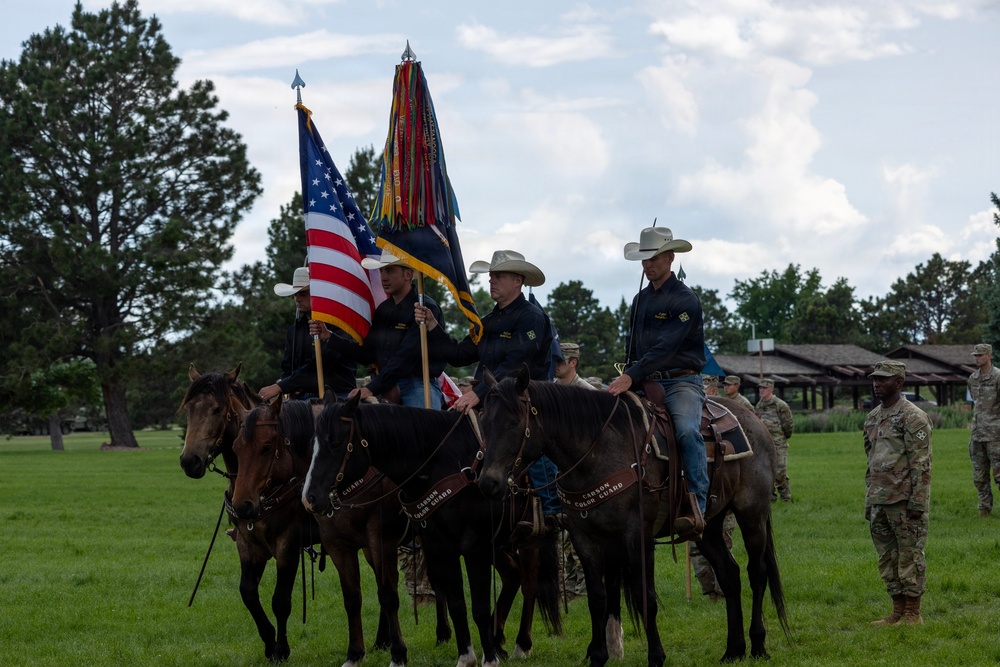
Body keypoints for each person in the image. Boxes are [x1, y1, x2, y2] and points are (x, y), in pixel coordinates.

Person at [416, 249, 559, 536]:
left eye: (499, 276)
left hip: (526, 399)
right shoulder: (488, 321)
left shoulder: (531, 318)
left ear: (517, 280)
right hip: (494, 401)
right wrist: (433, 326)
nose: (491, 281)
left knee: (535, 445)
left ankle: (551, 510)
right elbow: (459, 354)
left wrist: (478, 393)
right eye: (491, 276)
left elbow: (516, 365)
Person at [607, 226, 708, 538]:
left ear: (670, 257)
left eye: (653, 258)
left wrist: (631, 375)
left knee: (687, 431)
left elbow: (666, 348)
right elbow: (633, 347)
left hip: (681, 382)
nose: (647, 264)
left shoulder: (686, 300)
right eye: (644, 259)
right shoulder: (639, 300)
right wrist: (629, 372)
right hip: (643, 380)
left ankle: (697, 504)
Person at [318, 251, 446, 409]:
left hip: (417, 384)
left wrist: (371, 388)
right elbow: (368, 353)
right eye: (381, 271)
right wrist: (329, 337)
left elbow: (407, 357)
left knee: (423, 423)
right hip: (385, 385)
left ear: (408, 275)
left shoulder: (426, 309)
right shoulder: (383, 310)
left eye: (390, 271)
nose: (383, 277)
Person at [864, 360, 932, 626]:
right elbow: (870, 462)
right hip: (879, 500)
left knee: (909, 556)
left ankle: (913, 613)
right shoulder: (873, 417)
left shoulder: (912, 416)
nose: (877, 383)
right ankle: (897, 611)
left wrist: (918, 501)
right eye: (875, 379)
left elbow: (922, 464)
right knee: (887, 557)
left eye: (883, 379)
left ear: (899, 383)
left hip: (904, 500)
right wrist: (869, 501)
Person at [258, 266, 357, 401]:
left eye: (303, 294)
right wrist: (290, 387)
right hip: (302, 397)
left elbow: (322, 363)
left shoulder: (339, 325)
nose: (297, 299)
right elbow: (287, 367)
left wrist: (281, 386)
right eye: (295, 294)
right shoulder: (294, 330)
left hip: (337, 395)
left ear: (318, 295)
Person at [968, 343, 1000, 517]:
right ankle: (984, 509)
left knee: (999, 474)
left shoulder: (998, 377)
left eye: (980, 355)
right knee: (979, 475)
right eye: (975, 355)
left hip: (996, 435)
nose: (977, 358)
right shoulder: (973, 379)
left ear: (989, 356)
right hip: (977, 434)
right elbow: (976, 403)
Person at [755, 378, 794, 502]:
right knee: (766, 471)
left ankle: (786, 497)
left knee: (780, 472)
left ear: (771, 389)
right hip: (764, 444)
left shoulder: (780, 405)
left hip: (778, 444)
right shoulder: (759, 406)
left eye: (764, 388)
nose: (762, 390)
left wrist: (781, 439)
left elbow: (788, 425)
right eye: (760, 388)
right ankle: (771, 497)